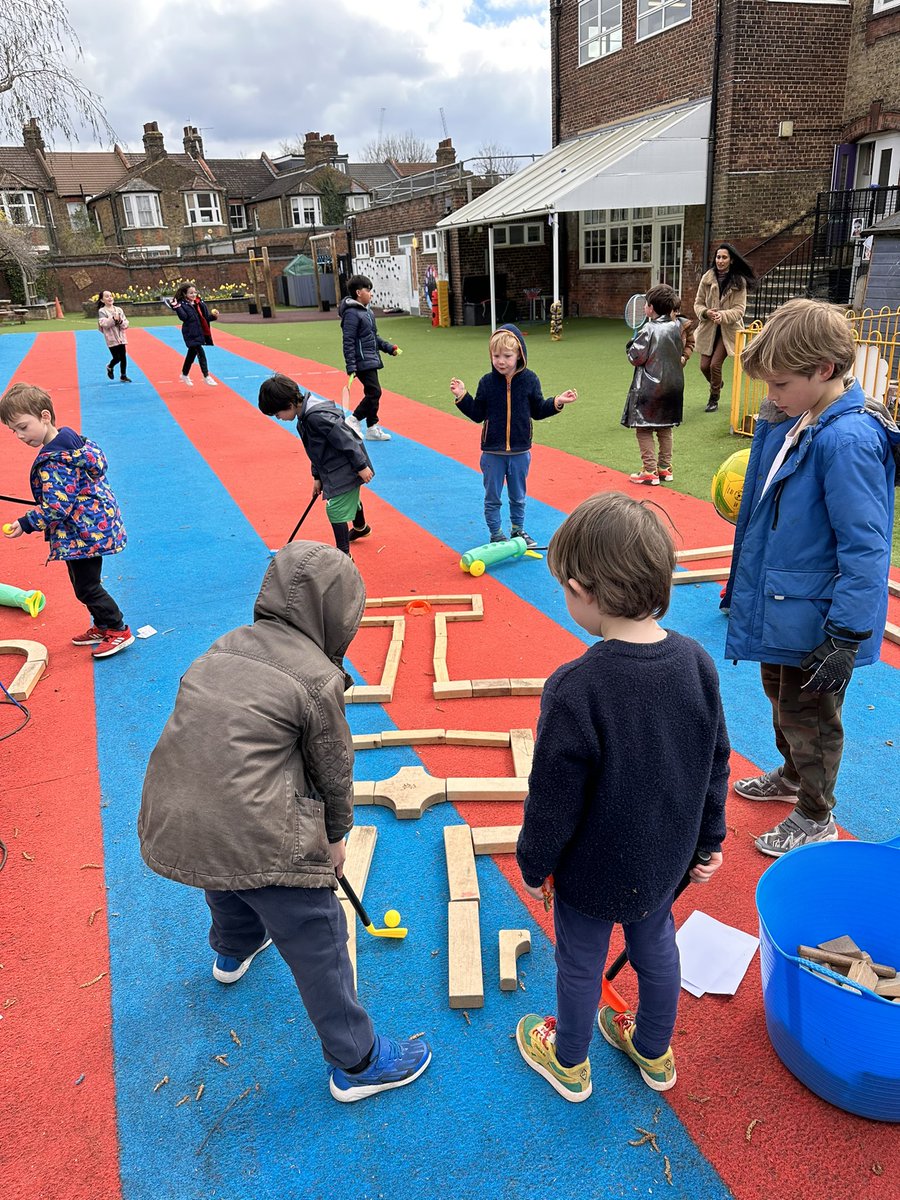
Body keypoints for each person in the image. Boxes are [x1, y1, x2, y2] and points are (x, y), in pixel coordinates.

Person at [137, 542, 432, 1102]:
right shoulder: (318, 678)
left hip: (175, 812)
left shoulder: (220, 649)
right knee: (317, 930)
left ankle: (234, 947)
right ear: (340, 613)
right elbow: (333, 769)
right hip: (254, 830)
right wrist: (336, 836)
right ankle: (359, 1059)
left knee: (222, 868)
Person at [513, 492, 729, 1102]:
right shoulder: (694, 661)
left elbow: (552, 797)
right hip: (666, 857)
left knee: (580, 962)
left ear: (581, 590)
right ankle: (655, 1052)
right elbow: (716, 759)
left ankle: (569, 1061)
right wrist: (709, 840)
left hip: (592, 867)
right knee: (656, 947)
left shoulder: (575, 687)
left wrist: (534, 865)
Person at [723, 299, 899, 856]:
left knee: (812, 718)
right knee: (781, 698)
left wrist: (845, 634)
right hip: (786, 603)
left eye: (778, 383)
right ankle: (793, 777)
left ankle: (816, 812)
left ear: (823, 371)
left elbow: (866, 546)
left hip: (819, 621)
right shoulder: (798, 417)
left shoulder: (847, 440)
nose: (769, 397)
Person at [0, 383, 133, 658]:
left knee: (87, 587)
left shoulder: (55, 461)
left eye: (23, 427)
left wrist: (25, 523)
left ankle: (118, 629)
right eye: (13, 431)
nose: (19, 436)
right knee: (83, 584)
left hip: (85, 532)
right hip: (87, 528)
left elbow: (56, 508)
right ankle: (103, 624)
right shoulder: (71, 444)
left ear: (45, 416)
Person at [450, 324, 577, 546]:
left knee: (518, 496)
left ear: (519, 355)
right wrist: (463, 396)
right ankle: (496, 534)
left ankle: (518, 531)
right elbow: (477, 413)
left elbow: (537, 410)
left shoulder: (530, 380)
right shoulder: (487, 382)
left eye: (507, 356)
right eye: (496, 355)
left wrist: (557, 402)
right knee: (493, 497)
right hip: (492, 452)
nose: (501, 361)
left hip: (520, 451)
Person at [258, 373, 375, 553]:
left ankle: (344, 556)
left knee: (335, 509)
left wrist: (361, 466)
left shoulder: (315, 417)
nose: (278, 418)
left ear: (289, 405)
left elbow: (345, 439)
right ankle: (361, 527)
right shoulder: (304, 417)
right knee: (348, 499)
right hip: (333, 466)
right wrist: (317, 476)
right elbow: (316, 451)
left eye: (277, 413)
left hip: (347, 466)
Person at [621, 284, 684, 486]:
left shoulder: (649, 329)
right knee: (665, 428)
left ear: (651, 308)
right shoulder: (676, 327)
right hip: (673, 387)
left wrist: (630, 347)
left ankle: (649, 471)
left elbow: (636, 357)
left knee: (644, 429)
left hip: (651, 388)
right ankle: (665, 468)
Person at [693, 243, 755, 413]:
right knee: (704, 367)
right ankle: (717, 383)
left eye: (724, 257)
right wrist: (706, 312)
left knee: (714, 365)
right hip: (709, 328)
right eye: (718, 257)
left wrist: (723, 315)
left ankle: (714, 397)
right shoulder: (707, 278)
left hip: (727, 330)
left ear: (731, 260)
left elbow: (739, 310)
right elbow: (697, 304)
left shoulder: (738, 281)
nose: (720, 260)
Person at [339, 275, 399, 441]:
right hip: (361, 361)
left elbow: (373, 337)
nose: (371, 293)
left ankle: (372, 427)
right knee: (374, 392)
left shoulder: (368, 312)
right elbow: (348, 341)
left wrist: (389, 348)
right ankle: (354, 419)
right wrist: (351, 366)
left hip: (371, 359)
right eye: (368, 290)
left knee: (373, 393)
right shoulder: (351, 314)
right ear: (359, 292)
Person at [163, 283, 219, 387]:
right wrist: (177, 307)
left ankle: (184, 374)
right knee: (200, 353)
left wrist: (214, 317)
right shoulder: (182, 304)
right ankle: (206, 376)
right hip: (190, 332)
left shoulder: (199, 303)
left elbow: (205, 317)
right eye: (190, 293)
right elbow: (184, 317)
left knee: (191, 354)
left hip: (200, 332)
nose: (193, 295)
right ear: (185, 294)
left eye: (194, 292)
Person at [96, 290, 131, 382]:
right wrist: (113, 319)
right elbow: (104, 324)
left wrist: (120, 321)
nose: (110, 298)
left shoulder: (119, 310)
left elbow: (125, 322)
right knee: (117, 357)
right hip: (111, 338)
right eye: (107, 296)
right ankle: (110, 366)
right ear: (102, 300)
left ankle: (123, 375)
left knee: (123, 357)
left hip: (121, 337)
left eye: (111, 296)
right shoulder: (102, 311)